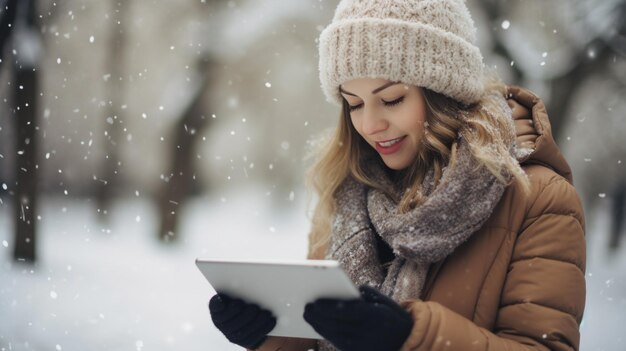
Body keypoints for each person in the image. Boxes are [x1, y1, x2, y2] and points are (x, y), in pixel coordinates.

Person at [207, 0, 586, 350]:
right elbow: (327, 332)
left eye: (391, 99)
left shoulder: (539, 199)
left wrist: (409, 337)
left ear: (443, 92)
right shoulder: (345, 195)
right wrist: (273, 335)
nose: (370, 124)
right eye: (353, 104)